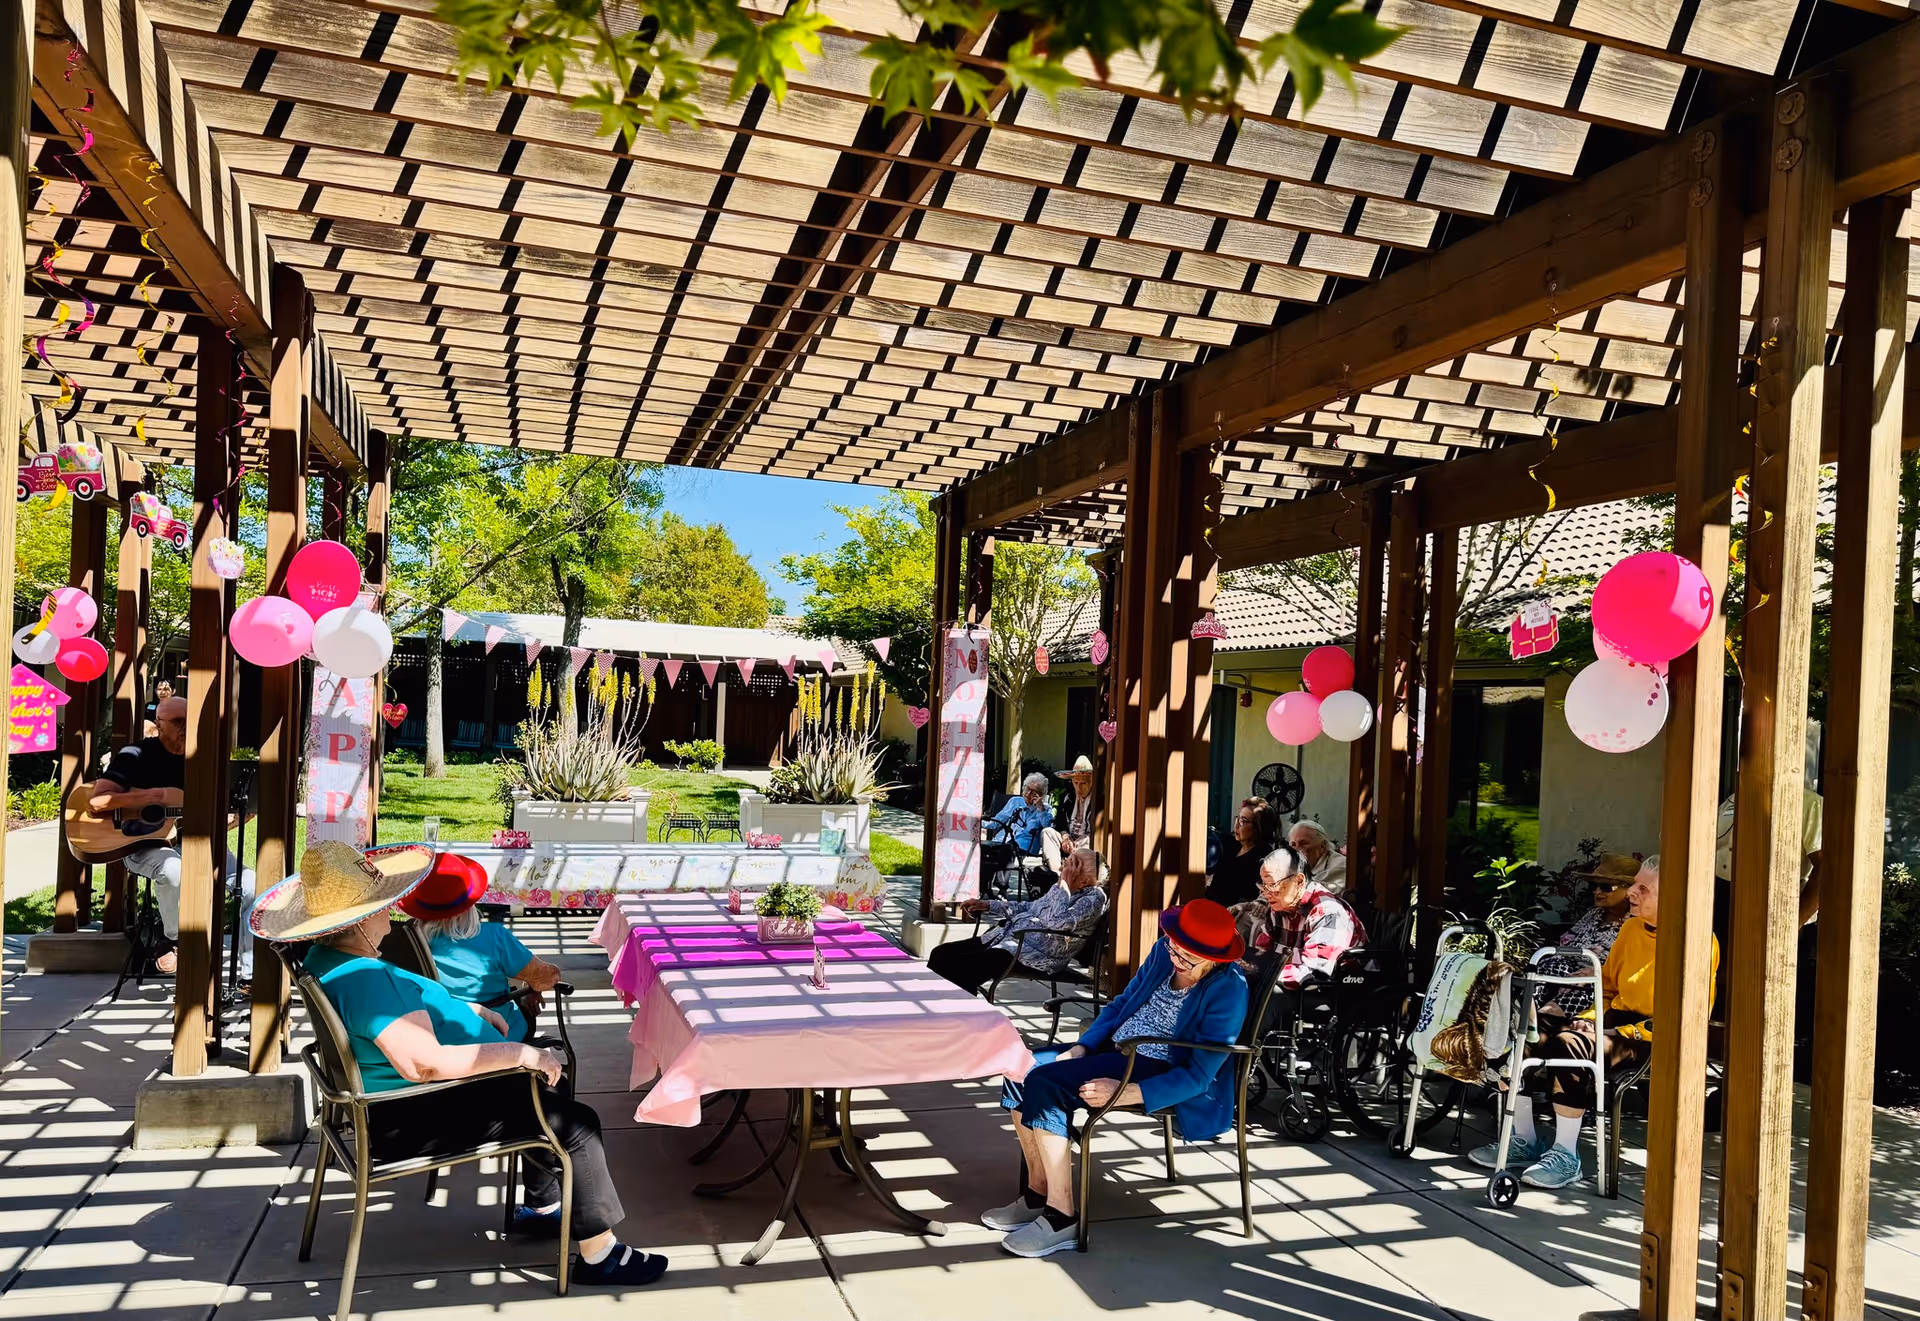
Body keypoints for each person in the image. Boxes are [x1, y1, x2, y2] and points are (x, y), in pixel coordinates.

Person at [251, 842, 669, 1286]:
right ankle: (600, 1255)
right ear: (357, 922)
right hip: (414, 1114)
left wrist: (463, 1008)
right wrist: (522, 1053)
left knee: (554, 1098)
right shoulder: (365, 979)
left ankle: (548, 1207)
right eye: (382, 906)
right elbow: (424, 1064)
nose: (390, 914)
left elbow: (404, 1007)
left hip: (399, 1104)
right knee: (577, 1126)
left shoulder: (328, 958)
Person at [983, 897, 1249, 1258]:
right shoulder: (1162, 952)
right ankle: (1038, 1192)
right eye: (1174, 948)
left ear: (1215, 959)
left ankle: (1062, 1217)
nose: (1177, 960)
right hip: (1115, 1050)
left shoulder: (1229, 990)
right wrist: (1084, 1046)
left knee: (1046, 1083)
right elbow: (1122, 1003)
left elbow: (1200, 1074)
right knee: (1019, 1067)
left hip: (1157, 1067)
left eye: (1189, 959)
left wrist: (1133, 1092)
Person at [1472, 855, 1718, 1189]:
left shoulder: (1698, 942)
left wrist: (1615, 1030)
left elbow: (1686, 1016)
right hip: (1613, 1022)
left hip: (1652, 1034)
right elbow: (1607, 987)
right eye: (1634, 884)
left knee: (1570, 1045)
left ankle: (1566, 1155)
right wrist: (1589, 1019)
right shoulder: (1631, 929)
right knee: (1530, 1031)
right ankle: (1524, 1139)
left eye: (1643, 888)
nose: (1632, 892)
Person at [90, 696, 256, 979]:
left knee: (254, 885)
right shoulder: (136, 754)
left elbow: (206, 814)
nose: (185, 728)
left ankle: (250, 975)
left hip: (200, 845)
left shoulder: (204, 759)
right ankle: (175, 939)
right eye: (178, 722)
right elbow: (96, 802)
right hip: (141, 845)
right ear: (159, 724)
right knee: (173, 869)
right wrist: (152, 796)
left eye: (189, 722)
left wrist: (235, 819)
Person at [400, 852, 561, 1042]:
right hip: (494, 1033)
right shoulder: (494, 936)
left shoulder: (407, 940)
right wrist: (534, 988)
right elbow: (544, 977)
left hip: (432, 1031)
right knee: (523, 1010)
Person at [929, 847, 1107, 995]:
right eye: (1069, 859)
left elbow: (1057, 924)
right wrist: (988, 905)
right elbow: (1029, 908)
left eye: (1073, 864)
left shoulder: (1093, 899)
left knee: (958, 968)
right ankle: (941, 1009)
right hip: (1011, 941)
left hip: (1036, 956)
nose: (1065, 864)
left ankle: (962, 1017)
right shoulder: (1062, 887)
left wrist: (1065, 886)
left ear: (1085, 879)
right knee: (941, 954)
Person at [1231, 844, 1366, 991]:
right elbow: (1264, 952)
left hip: (1340, 990)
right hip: (1300, 985)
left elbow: (1312, 974)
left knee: (1264, 996)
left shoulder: (1327, 911)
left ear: (1299, 881)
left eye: (1272, 885)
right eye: (1263, 885)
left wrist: (1261, 972)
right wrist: (1247, 965)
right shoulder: (1280, 906)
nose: (1265, 893)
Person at [1530, 853, 1636, 1015]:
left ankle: (1542, 1017)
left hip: (1598, 987)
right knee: (1550, 965)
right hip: (1566, 977)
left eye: (1606, 887)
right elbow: (1566, 945)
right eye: (1595, 886)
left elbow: (1632, 969)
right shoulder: (1594, 915)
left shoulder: (1636, 925)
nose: (1597, 891)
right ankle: (1525, 1011)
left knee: (1581, 984)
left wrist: (1597, 971)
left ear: (1630, 891)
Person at [1205, 798, 1278, 907]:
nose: (1237, 825)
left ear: (1258, 828)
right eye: (1237, 818)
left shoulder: (1263, 857)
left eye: (1243, 821)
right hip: (1210, 904)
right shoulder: (1233, 844)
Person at [1041, 756, 1099, 873]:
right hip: (1069, 839)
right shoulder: (1069, 798)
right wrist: (1065, 837)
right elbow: (1060, 823)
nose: (1079, 787)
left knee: (1089, 842)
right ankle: (1057, 872)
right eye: (1076, 782)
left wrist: (1084, 838)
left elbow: (1099, 829)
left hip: (1085, 841)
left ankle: (1068, 869)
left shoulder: (1098, 801)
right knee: (1047, 832)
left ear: (1092, 781)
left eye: (1083, 783)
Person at [1287, 820, 1349, 896]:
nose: (1297, 849)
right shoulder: (1292, 866)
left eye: (1303, 843)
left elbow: (1313, 895)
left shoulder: (1340, 866)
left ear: (1322, 845)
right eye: (1293, 845)